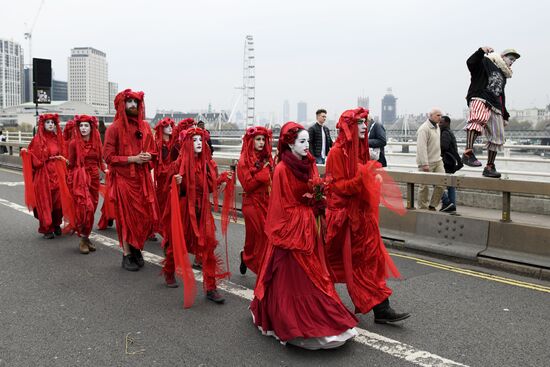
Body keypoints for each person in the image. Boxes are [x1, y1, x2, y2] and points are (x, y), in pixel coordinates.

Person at [250, 121, 358, 350]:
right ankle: (295, 323)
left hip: (310, 229)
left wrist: (319, 200)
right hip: (293, 232)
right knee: (295, 278)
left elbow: (317, 186)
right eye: (302, 141)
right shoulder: (281, 169)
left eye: (308, 141)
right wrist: (309, 209)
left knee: (318, 276)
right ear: (289, 144)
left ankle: (325, 318)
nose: (307, 146)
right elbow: (283, 207)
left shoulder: (309, 163)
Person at [325, 107, 410, 324]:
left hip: (363, 217)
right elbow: (337, 186)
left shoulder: (361, 150)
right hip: (344, 219)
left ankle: (382, 308)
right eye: (361, 123)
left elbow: (364, 178)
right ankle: (322, 302)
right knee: (333, 263)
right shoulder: (336, 153)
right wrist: (362, 178)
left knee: (370, 261)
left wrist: (372, 179)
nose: (365, 127)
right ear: (350, 127)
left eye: (365, 122)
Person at [161, 126, 233, 304]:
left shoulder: (208, 164)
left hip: (203, 212)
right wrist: (176, 183)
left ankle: (210, 287)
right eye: (194, 140)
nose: (199, 143)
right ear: (186, 143)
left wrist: (222, 179)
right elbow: (168, 191)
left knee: (208, 248)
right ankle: (169, 270)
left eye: (201, 140)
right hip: (185, 210)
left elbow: (210, 188)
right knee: (178, 245)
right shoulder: (177, 165)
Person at [103, 89, 160, 271]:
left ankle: (137, 248)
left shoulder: (144, 126)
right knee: (126, 218)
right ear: (122, 105)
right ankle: (127, 253)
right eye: (129, 102)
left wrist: (147, 156)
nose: (133, 105)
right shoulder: (114, 129)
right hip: (123, 180)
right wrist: (132, 159)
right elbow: (108, 156)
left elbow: (154, 150)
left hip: (142, 180)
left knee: (143, 218)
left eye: (136, 102)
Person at [462, 47, 520, 178]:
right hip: (481, 97)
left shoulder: (503, 76)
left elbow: (501, 94)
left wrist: (505, 114)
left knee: (497, 137)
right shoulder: (487, 62)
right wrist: (480, 51)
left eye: (514, 61)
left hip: (496, 105)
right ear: (502, 56)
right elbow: (471, 63)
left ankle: (489, 166)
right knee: (477, 119)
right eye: (510, 59)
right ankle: (468, 152)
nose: (511, 62)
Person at [21, 114, 68, 239]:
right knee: (45, 201)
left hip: (57, 174)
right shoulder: (37, 140)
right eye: (47, 122)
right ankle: (47, 228)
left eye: (52, 122)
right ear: (43, 124)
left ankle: (57, 224)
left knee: (59, 202)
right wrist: (27, 155)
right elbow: (34, 159)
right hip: (43, 175)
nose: (51, 124)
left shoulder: (58, 138)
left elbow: (64, 154)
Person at [237, 126, 274, 275]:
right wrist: (263, 174)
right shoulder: (243, 160)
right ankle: (263, 271)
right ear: (251, 141)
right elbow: (248, 185)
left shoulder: (267, 158)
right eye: (258, 139)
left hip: (267, 202)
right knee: (261, 236)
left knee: (256, 238)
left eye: (263, 140)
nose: (261, 142)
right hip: (251, 203)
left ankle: (245, 256)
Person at [67, 115, 104, 254]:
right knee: (85, 208)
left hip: (94, 178)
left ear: (91, 127)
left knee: (93, 208)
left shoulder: (97, 142)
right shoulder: (73, 144)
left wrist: (106, 171)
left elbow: (101, 161)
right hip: (80, 179)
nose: (83, 128)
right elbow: (70, 164)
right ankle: (83, 240)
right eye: (81, 125)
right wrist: (71, 180)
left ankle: (86, 237)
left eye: (86, 126)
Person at [416, 108, 445, 210]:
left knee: (442, 183)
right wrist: (425, 163)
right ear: (431, 116)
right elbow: (421, 147)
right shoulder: (424, 129)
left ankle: (432, 205)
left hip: (438, 160)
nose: (440, 117)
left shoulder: (437, 127)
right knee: (424, 187)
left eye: (441, 115)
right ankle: (422, 207)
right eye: (438, 115)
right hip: (426, 162)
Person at [439, 116, 463, 213]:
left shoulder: (445, 133)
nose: (439, 124)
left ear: (447, 123)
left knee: (437, 182)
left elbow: (444, 146)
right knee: (450, 184)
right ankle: (451, 205)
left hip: (446, 162)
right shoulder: (450, 132)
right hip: (451, 161)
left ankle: (447, 202)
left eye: (441, 122)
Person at [153, 117, 176, 211]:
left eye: (171, 126)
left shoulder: (174, 142)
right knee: (162, 198)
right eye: (167, 126)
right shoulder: (157, 143)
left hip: (172, 175)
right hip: (162, 176)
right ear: (161, 129)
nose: (170, 128)